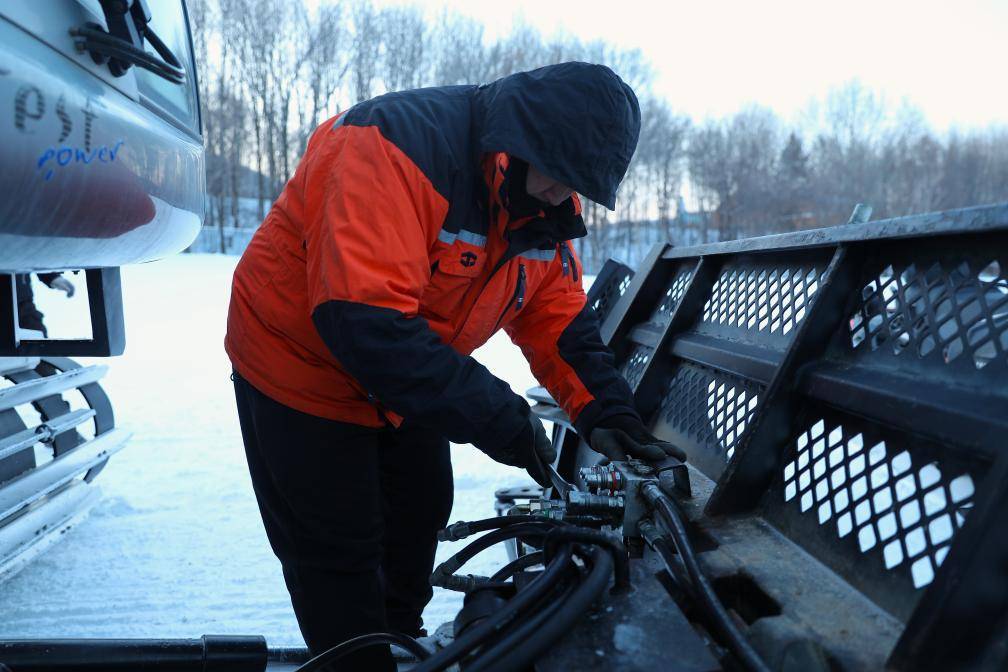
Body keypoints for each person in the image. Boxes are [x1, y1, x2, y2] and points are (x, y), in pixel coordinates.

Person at [225, 61, 684, 670]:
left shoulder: (540, 209)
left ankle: (398, 640)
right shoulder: (391, 146)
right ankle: (354, 657)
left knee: (419, 511)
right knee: (340, 544)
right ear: (526, 140)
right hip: (301, 362)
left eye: (579, 185)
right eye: (562, 175)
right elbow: (365, 323)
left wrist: (608, 415)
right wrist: (500, 416)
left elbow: (558, 324)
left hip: (405, 366)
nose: (565, 196)